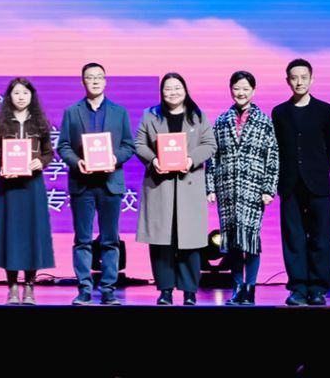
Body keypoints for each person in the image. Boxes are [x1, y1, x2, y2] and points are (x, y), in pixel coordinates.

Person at [56, 62, 135, 306]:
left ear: (105, 80)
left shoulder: (119, 112)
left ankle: (109, 289)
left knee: (110, 239)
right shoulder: (72, 112)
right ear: (83, 82)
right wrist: (76, 161)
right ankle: (84, 289)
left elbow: (128, 146)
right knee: (82, 239)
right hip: (83, 184)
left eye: (99, 77)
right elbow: (63, 146)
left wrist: (114, 158)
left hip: (110, 183)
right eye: (90, 77)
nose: (95, 81)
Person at [135, 72, 216, 306]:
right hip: (160, 186)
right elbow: (139, 144)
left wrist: (191, 160)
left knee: (190, 242)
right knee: (161, 243)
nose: (173, 92)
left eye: (177, 88)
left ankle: (190, 291)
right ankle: (165, 290)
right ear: (161, 92)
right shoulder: (150, 115)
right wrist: (153, 161)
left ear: (185, 90)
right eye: (168, 89)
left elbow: (210, 144)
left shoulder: (198, 116)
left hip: (188, 185)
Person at [205, 70, 279, 305]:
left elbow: (272, 156)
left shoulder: (264, 121)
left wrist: (269, 188)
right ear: (231, 90)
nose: (241, 92)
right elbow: (212, 157)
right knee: (232, 240)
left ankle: (251, 288)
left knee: (251, 238)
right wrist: (210, 187)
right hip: (226, 187)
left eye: (246, 88)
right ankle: (237, 287)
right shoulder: (221, 121)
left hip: (254, 187)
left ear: (253, 91)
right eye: (237, 88)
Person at [271, 58, 330, 306]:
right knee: (293, 237)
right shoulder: (279, 112)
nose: (299, 82)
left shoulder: (325, 110)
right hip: (289, 183)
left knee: (321, 235)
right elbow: (276, 147)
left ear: (312, 79)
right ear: (287, 81)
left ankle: (318, 287)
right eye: (294, 78)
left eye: (303, 77)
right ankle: (298, 288)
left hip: (318, 182)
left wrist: (319, 169)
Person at [0, 77, 55, 305]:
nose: (21, 97)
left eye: (25, 93)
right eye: (16, 93)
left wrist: (40, 162)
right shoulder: (0, 123)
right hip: (10, 187)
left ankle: (29, 286)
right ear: (10, 97)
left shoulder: (40, 123)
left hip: (33, 186)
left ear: (31, 96)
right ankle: (13, 287)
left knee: (32, 234)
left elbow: (49, 152)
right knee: (11, 235)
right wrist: (1, 166)